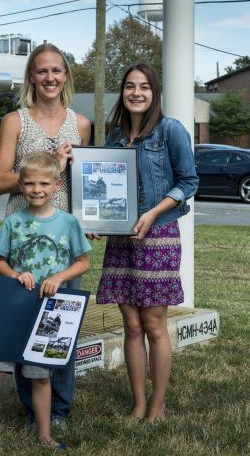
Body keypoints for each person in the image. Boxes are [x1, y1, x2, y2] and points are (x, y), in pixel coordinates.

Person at [0, 152, 91, 450]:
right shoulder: (14, 222)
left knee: (40, 376)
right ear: (21, 186)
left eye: (43, 183)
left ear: (56, 185)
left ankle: (45, 434)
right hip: (13, 307)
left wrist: (60, 277)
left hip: (48, 310)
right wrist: (15, 274)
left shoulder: (68, 223)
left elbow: (83, 262)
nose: (36, 189)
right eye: (29, 184)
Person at [0, 42, 91, 428]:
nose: (50, 77)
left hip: (64, 236)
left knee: (61, 324)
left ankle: (60, 410)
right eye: (42, 71)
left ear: (65, 76)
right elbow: (0, 181)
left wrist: (93, 221)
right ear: (31, 77)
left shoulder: (80, 124)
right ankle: (32, 407)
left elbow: (86, 184)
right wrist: (46, 169)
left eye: (57, 70)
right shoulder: (15, 121)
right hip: (24, 236)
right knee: (24, 321)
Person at [96, 63, 198, 422]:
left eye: (144, 87)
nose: (136, 92)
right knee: (132, 326)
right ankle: (138, 402)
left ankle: (158, 403)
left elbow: (188, 181)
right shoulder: (114, 133)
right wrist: (96, 221)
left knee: (154, 325)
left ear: (154, 93)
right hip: (121, 240)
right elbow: (103, 183)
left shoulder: (170, 130)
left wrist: (153, 213)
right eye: (129, 86)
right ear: (122, 91)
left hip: (158, 237)